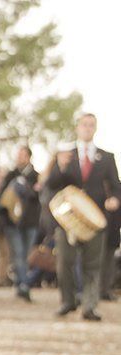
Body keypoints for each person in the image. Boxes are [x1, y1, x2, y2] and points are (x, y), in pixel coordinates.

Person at [47, 113, 121, 321]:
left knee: (92, 265)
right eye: (84, 125)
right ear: (77, 128)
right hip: (67, 220)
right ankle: (68, 301)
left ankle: (89, 306)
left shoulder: (106, 157)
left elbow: (116, 186)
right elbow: (51, 184)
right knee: (65, 263)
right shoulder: (66, 155)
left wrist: (114, 199)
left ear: (95, 129)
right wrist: (60, 167)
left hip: (95, 220)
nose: (87, 128)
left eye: (91, 125)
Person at [0, 145, 40, 302]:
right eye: (18, 154)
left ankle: (20, 283)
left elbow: (37, 196)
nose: (19, 157)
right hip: (12, 223)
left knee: (25, 254)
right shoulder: (11, 175)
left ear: (29, 157)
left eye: (22, 154)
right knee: (18, 253)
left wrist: (25, 188)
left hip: (30, 222)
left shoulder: (36, 175)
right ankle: (24, 286)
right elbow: (1, 198)